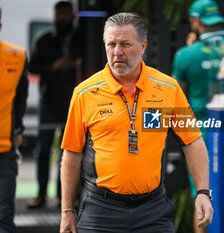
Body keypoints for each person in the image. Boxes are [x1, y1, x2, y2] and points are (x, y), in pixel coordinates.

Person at [59, 12, 213, 233]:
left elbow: (192, 141)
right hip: (100, 210)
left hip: (153, 210)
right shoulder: (85, 93)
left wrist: (203, 192)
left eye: (125, 44)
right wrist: (67, 211)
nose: (117, 52)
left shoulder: (168, 89)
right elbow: (72, 152)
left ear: (143, 46)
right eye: (111, 44)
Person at [172, 0, 224, 231]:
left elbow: (174, 98)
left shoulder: (186, 55)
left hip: (201, 132)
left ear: (196, 21)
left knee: (202, 195)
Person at [27, 1, 81, 208]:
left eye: (66, 13)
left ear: (72, 16)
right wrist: (53, 66)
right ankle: (41, 194)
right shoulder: (45, 40)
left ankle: (62, 196)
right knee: (43, 150)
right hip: (48, 103)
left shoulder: (79, 39)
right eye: (59, 14)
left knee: (68, 151)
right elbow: (32, 66)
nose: (63, 17)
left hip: (73, 103)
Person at [0, 7, 29, 232]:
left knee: (4, 217)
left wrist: (18, 128)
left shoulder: (17, 57)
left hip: (4, 152)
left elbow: (21, 96)